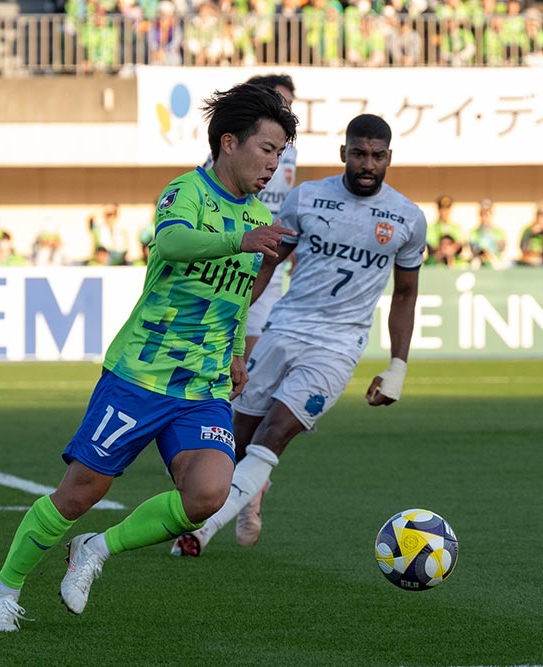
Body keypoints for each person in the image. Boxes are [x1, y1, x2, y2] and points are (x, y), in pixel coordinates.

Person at [0, 82, 298, 631]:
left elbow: (237, 295)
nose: (274, 164)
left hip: (203, 386)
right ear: (229, 142)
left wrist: (236, 354)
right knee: (80, 492)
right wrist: (240, 242)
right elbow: (170, 243)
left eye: (280, 154)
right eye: (267, 149)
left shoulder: (255, 216)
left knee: (207, 495)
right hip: (141, 376)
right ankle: (2, 590)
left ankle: (97, 548)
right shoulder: (187, 192)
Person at [171, 114, 426, 557]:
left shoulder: (408, 218)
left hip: (338, 347)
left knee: (274, 433)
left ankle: (202, 531)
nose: (368, 164)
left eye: (377, 156)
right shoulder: (307, 197)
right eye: (359, 154)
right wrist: (232, 324)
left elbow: (405, 295)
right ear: (343, 153)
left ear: (390, 157)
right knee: (235, 437)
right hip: (284, 328)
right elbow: (267, 264)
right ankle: (250, 492)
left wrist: (397, 367)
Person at [203, 73, 299, 362]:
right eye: (282, 101)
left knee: (256, 341)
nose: (288, 108)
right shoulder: (234, 151)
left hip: (269, 251)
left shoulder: (289, 151)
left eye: (291, 103)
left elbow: (283, 198)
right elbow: (213, 193)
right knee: (236, 336)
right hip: (237, 248)